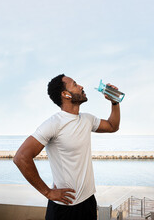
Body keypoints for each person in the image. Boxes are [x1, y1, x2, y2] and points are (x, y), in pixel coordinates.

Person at [14, 74, 120, 220]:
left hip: (88, 202)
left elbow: (112, 126)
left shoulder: (87, 119)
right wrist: (48, 192)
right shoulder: (54, 124)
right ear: (65, 94)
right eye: (75, 84)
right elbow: (21, 157)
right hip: (64, 208)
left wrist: (115, 103)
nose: (81, 86)